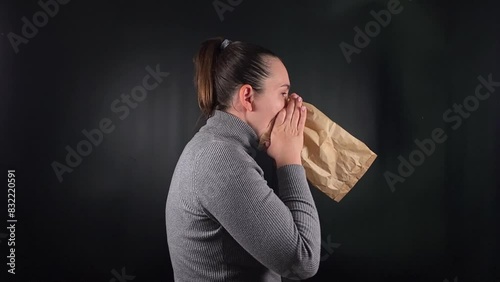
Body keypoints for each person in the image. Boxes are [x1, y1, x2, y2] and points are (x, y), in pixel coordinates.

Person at [165, 37, 321, 281]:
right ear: (247, 97)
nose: (292, 103)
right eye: (283, 93)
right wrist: (289, 160)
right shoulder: (219, 159)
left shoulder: (216, 147)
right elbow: (303, 261)